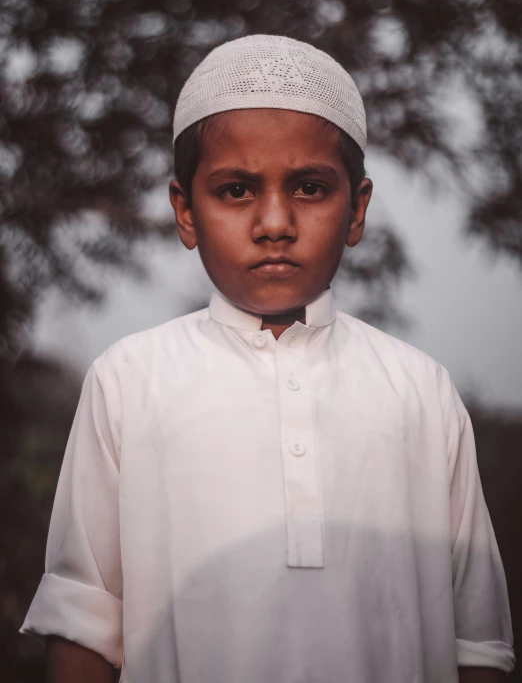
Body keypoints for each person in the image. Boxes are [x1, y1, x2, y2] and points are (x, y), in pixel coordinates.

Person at [21, 35, 514, 683]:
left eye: (310, 188)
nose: (274, 221)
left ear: (357, 209)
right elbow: (83, 628)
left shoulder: (420, 389)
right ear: (185, 210)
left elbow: (477, 643)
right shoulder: (130, 380)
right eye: (236, 190)